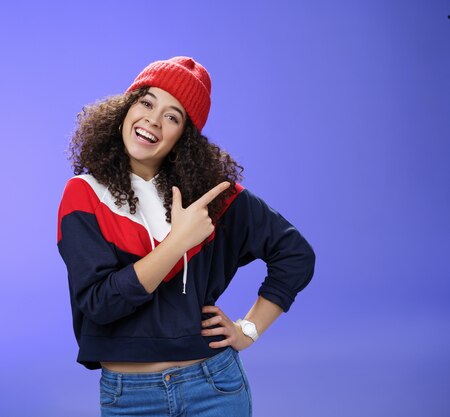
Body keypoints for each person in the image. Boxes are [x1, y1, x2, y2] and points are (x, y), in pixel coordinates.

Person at [57, 56, 315, 417]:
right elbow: (101, 304)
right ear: (126, 108)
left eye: (172, 116)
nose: (152, 119)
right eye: (146, 102)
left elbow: (295, 254)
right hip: (129, 397)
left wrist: (249, 329)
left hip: (214, 386)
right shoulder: (84, 195)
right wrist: (178, 243)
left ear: (184, 138)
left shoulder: (212, 198)